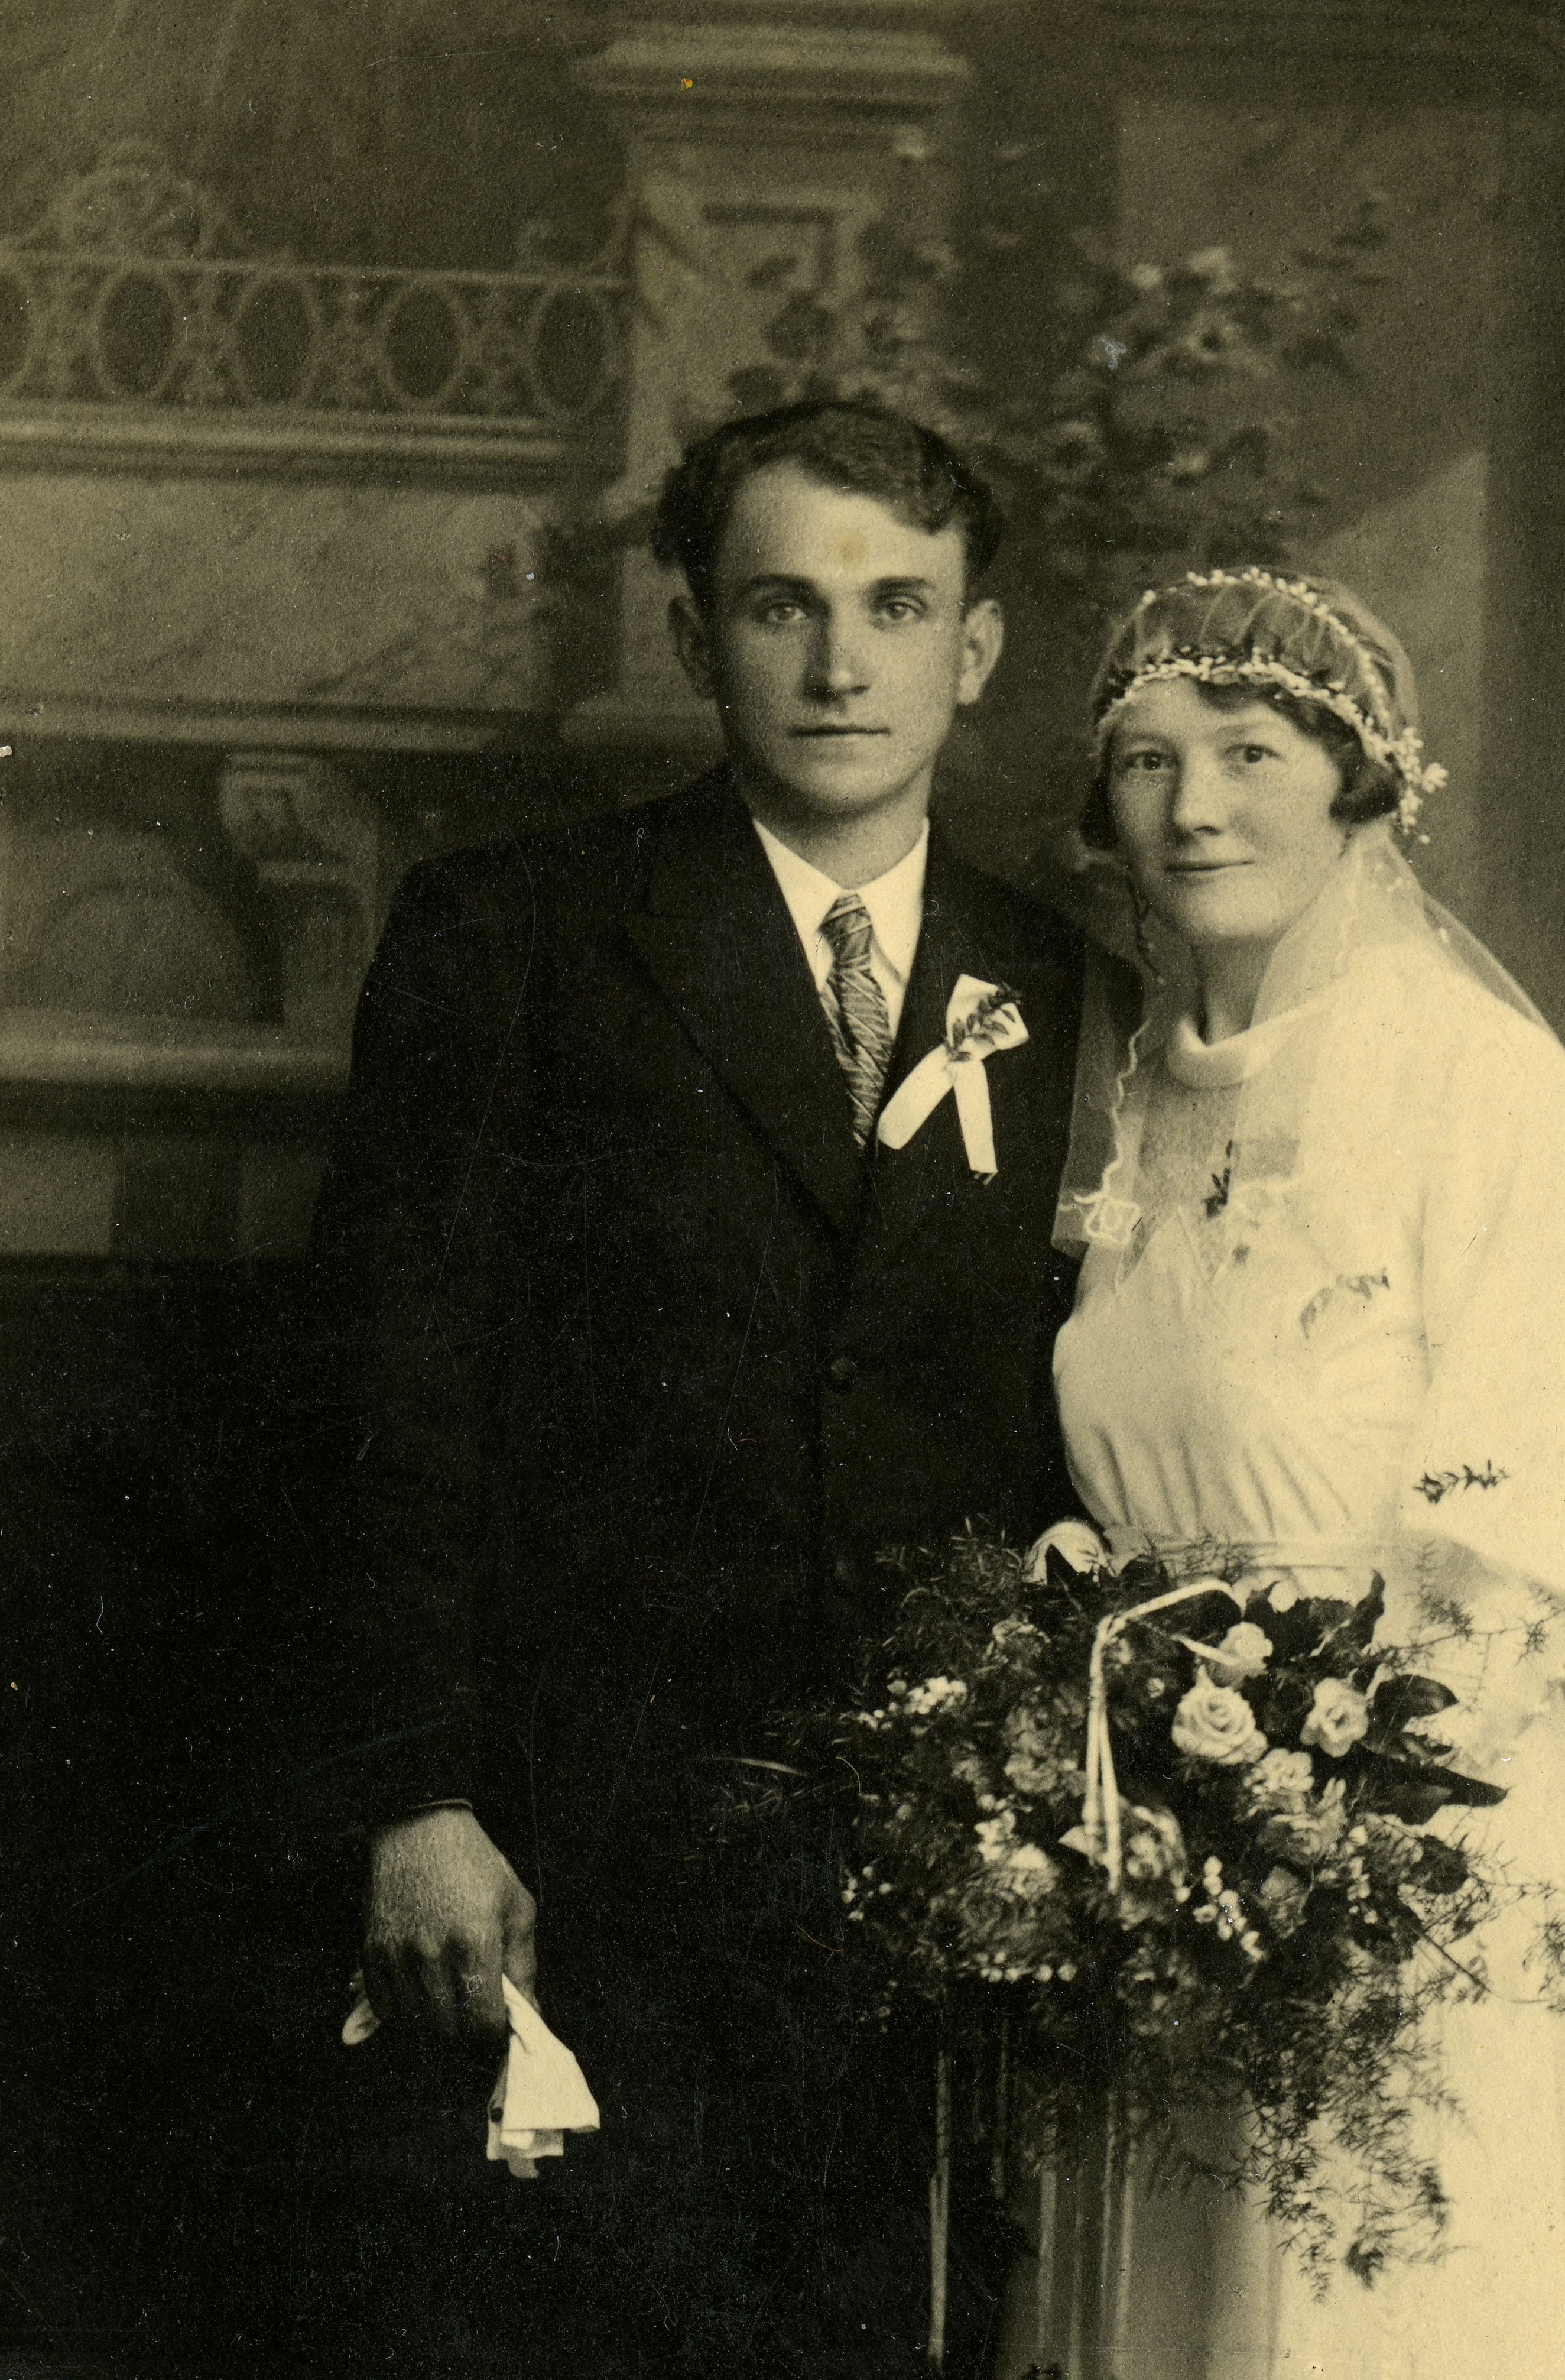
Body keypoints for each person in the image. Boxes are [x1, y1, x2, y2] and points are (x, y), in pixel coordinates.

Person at [300, 401, 1098, 2379]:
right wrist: (417, 1789)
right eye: (780, 605)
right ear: (691, 636)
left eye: (896, 607)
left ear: (976, 651)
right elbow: (389, 1388)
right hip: (583, 1828)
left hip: (935, 1857)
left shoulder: (1063, 981)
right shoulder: (515, 931)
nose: (841, 666)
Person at [995, 567, 1565, 2379]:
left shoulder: (1477, 1077)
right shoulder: (1132, 1094)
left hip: (1400, 1868)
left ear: (1360, 786)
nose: (1195, 805)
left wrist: (1319, 1820)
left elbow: (1538, 1528)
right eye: (1147, 760)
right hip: (1151, 1860)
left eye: (1250, 753)